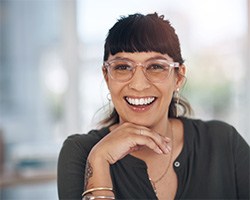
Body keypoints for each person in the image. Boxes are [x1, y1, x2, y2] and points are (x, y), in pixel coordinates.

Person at [57, 13, 250, 200]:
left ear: (179, 77)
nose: (139, 85)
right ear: (107, 77)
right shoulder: (81, 152)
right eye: (123, 67)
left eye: (156, 66)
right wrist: (99, 161)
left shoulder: (224, 142)